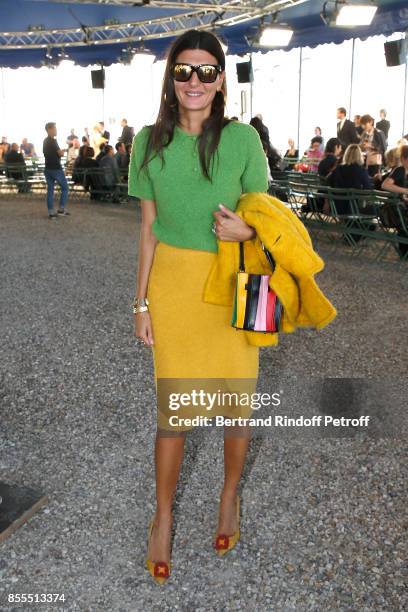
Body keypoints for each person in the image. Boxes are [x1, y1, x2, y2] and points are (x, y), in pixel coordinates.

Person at [128, 29, 269, 584]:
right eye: (183, 70)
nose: (194, 81)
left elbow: (270, 217)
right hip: (174, 288)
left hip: (235, 282)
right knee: (174, 413)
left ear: (220, 79)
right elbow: (146, 230)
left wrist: (249, 225)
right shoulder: (148, 141)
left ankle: (229, 494)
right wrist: (138, 304)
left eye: (206, 71)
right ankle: (162, 517)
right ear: (171, 78)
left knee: (237, 403)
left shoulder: (242, 141)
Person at [381, 145, 408, 258]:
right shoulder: (400, 170)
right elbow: (385, 185)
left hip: (399, 209)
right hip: (394, 211)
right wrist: (405, 191)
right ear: (404, 159)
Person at [42, 122, 69, 219]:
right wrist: (63, 151)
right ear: (49, 129)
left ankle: (51, 212)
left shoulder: (45, 141)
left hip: (47, 168)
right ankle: (61, 209)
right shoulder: (53, 141)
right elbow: (60, 154)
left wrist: (61, 151)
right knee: (65, 188)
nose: (56, 130)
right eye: (55, 128)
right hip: (56, 169)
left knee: (50, 190)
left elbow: (51, 153)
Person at [359, 114, 386, 178]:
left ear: (371, 122)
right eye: (362, 125)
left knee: (373, 178)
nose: (363, 126)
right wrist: (361, 146)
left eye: (365, 124)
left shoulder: (379, 133)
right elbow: (361, 145)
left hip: (375, 161)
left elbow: (383, 148)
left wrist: (371, 146)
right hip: (364, 159)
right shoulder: (364, 133)